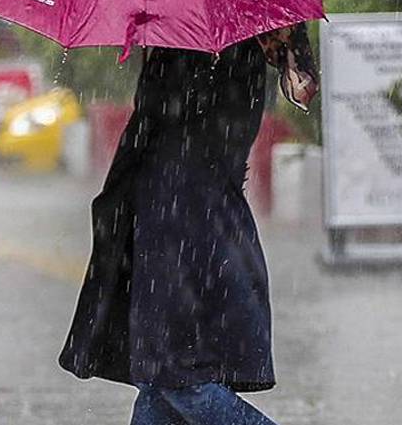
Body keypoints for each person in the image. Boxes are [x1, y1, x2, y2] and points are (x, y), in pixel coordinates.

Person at [58, 24, 318, 425]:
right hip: (198, 218)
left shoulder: (196, 42)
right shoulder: (242, 39)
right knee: (158, 381)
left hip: (179, 220)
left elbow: (167, 121)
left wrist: (155, 60)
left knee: (178, 376)